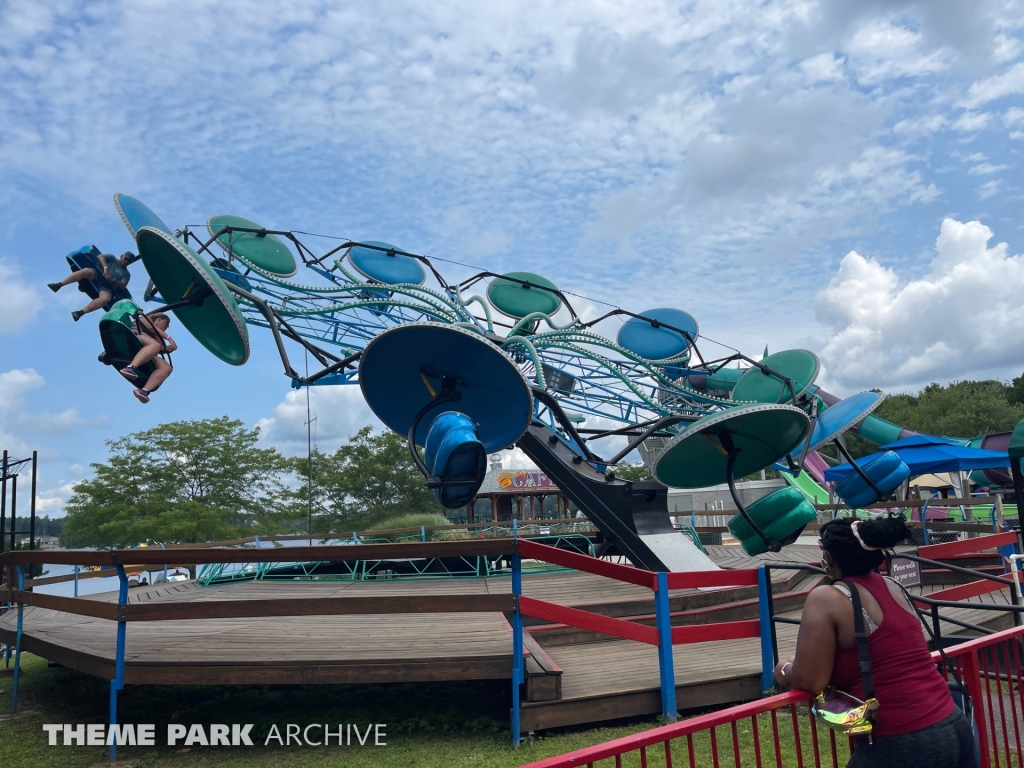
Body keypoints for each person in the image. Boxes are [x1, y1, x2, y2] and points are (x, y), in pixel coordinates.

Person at [773, 515, 975, 768]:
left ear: (831, 556)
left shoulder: (827, 597)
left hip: (900, 739)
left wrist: (784, 669)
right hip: (952, 723)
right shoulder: (893, 586)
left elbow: (810, 680)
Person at [49, 251, 137, 321]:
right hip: (97, 274)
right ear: (121, 256)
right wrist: (105, 268)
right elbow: (99, 256)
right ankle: (59, 285)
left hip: (106, 286)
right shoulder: (111, 257)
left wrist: (113, 279)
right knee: (85, 271)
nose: (125, 261)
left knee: (106, 299)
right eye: (125, 258)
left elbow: (123, 285)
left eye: (128, 261)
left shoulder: (126, 274)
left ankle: (80, 313)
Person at [119, 312, 177, 404]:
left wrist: (167, 349)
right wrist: (169, 338)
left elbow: (160, 348)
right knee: (155, 345)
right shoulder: (146, 320)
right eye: (166, 323)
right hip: (136, 339)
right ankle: (130, 368)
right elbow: (151, 328)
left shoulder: (157, 337)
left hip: (149, 350)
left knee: (167, 367)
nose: (167, 327)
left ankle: (144, 390)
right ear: (159, 319)